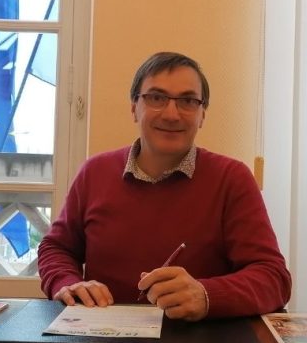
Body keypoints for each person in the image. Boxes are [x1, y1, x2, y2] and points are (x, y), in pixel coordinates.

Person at [38, 51, 291, 321]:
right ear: (134, 108)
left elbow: (273, 278)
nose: (172, 114)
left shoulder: (232, 178)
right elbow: (56, 248)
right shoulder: (94, 172)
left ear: (202, 115)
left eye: (188, 101)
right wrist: (67, 283)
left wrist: (207, 295)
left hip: (201, 342)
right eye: (156, 98)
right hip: (101, 338)